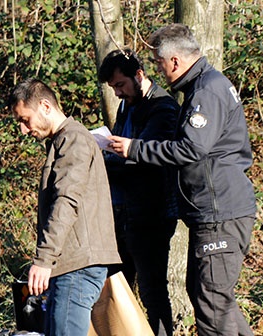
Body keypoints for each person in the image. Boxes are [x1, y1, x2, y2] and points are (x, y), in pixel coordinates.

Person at [109, 24, 256, 336]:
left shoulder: (206, 91)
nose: (158, 71)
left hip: (220, 212)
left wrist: (134, 148)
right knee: (211, 297)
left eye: (159, 63)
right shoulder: (202, 87)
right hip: (213, 212)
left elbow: (192, 148)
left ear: (173, 60)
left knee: (211, 304)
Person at [8, 78, 121, 336]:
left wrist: (44, 259)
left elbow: (66, 201)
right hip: (71, 264)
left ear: (46, 106)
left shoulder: (74, 140)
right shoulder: (64, 140)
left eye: (25, 120)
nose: (24, 130)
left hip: (77, 267)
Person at [98, 48, 179, 336]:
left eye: (120, 85)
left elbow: (150, 160)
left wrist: (107, 163)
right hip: (124, 212)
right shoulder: (126, 105)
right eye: (113, 88)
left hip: (151, 214)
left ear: (139, 75)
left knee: (152, 293)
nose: (118, 93)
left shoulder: (163, 108)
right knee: (119, 289)